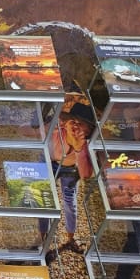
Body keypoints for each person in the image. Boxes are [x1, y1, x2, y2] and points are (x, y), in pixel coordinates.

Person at [49, 101, 95, 245]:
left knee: (70, 204)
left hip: (70, 169)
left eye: (83, 125)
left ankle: (70, 238)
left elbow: (86, 174)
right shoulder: (59, 130)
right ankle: (42, 236)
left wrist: (78, 148)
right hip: (51, 164)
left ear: (88, 131)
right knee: (43, 198)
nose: (77, 127)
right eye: (75, 122)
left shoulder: (86, 145)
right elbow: (25, 130)